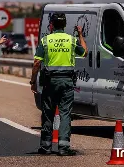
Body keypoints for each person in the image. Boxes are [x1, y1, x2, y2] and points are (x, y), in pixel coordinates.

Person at [29, 13, 88, 156]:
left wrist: (33, 81)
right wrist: (80, 35)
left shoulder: (46, 40)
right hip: (67, 82)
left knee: (48, 114)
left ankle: (46, 147)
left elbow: (37, 62)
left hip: (50, 82)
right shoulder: (71, 40)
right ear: (65, 25)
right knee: (65, 114)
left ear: (52, 25)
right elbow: (84, 52)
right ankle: (63, 147)